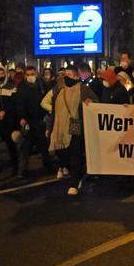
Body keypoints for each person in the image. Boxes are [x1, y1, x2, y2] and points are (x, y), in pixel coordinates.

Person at [46, 66, 98, 195]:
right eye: (64, 74)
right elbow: (54, 112)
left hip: (75, 125)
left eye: (68, 74)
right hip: (60, 129)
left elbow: (96, 102)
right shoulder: (59, 91)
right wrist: (50, 127)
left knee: (75, 153)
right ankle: (77, 173)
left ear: (75, 76)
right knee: (64, 153)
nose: (65, 77)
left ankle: (74, 183)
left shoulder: (83, 89)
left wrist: (90, 102)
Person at [16, 66, 52, 178]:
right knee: (25, 146)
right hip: (28, 120)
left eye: (32, 74)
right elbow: (19, 104)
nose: (31, 76)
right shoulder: (22, 87)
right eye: (28, 74)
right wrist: (21, 117)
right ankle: (22, 170)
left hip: (40, 119)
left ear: (36, 74)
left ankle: (47, 165)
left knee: (43, 145)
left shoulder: (42, 86)